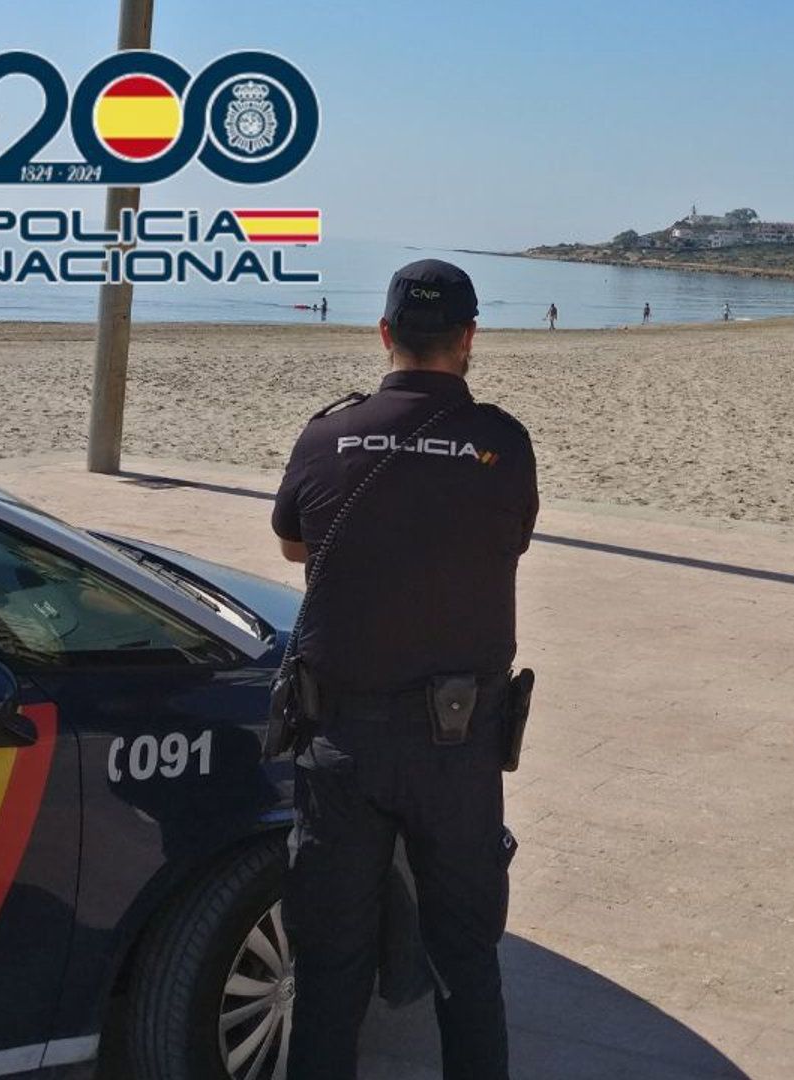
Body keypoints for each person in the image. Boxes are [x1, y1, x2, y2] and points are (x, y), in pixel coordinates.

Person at [273, 258, 539, 1080]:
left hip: (341, 740)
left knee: (331, 969)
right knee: (465, 964)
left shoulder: (326, 434)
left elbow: (293, 543)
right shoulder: (501, 443)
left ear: (386, 334)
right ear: (468, 339)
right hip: (455, 749)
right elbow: (509, 540)